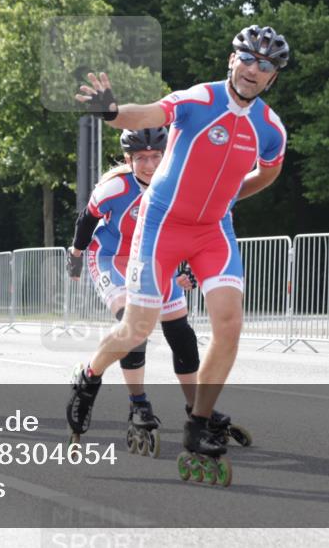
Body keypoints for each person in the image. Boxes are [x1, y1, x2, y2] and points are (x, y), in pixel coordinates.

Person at [67, 24, 289, 483]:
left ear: (272, 78)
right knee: (137, 328)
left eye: (265, 66)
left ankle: (197, 424)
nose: (254, 70)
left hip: (213, 231)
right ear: (232, 60)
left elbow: (269, 173)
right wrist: (110, 110)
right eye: (247, 59)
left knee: (229, 324)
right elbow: (147, 113)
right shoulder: (200, 100)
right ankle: (89, 375)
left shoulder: (269, 128)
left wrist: (230, 198)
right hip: (162, 225)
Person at [67, 127, 202, 456]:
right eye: (141, 158)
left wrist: (189, 266)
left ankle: (198, 411)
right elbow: (86, 220)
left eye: (156, 156)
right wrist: (75, 256)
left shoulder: (177, 183)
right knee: (135, 327)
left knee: (181, 332)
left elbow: (189, 228)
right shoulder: (115, 187)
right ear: (129, 159)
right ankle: (135, 402)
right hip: (113, 258)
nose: (150, 165)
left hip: (154, 260)